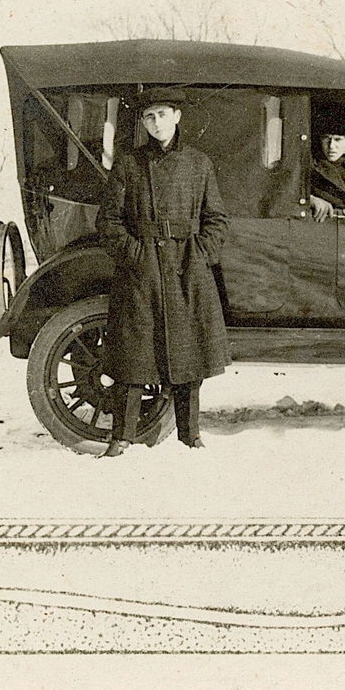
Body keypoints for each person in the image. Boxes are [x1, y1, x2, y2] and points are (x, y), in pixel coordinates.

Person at [96, 87, 229, 457]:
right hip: (141, 273)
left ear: (177, 116)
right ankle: (121, 437)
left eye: (163, 115)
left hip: (186, 268)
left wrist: (199, 253)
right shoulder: (128, 164)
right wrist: (136, 254)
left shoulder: (199, 164)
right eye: (149, 117)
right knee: (133, 356)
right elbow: (108, 222)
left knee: (189, 356)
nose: (156, 123)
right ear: (143, 122)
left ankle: (190, 436)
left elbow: (216, 219)